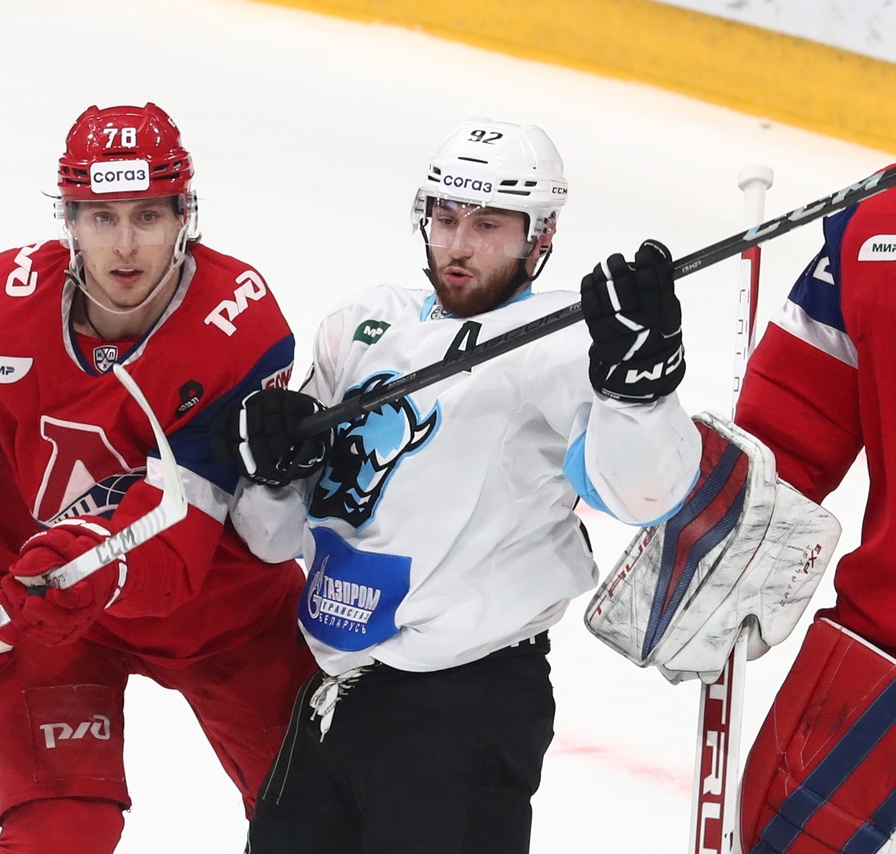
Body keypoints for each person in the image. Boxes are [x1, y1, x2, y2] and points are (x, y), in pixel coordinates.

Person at [217, 118, 703, 854]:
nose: (460, 246)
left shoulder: (562, 342)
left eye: (489, 226)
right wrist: (269, 470)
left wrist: (639, 391)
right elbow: (271, 538)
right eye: (446, 219)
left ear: (541, 235)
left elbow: (646, 495)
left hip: (465, 705)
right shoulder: (361, 325)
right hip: (332, 694)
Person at [0, 102, 318, 854]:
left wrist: (73, 566)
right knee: (60, 832)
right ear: (68, 221)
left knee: (324, 827)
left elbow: (174, 539)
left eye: (148, 216)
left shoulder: (236, 322)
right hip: (44, 608)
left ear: (185, 217)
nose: (126, 245)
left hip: (222, 617)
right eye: (102, 217)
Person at [734, 177, 896, 853]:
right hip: (881, 688)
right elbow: (781, 447)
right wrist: (717, 544)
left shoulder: (882, 223)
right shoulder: (880, 229)